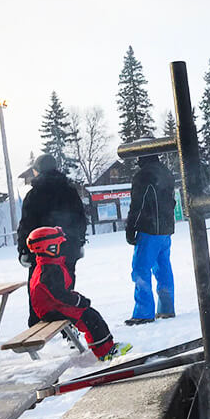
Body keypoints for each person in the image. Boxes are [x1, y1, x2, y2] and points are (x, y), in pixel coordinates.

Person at [26, 227, 131, 361]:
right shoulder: (49, 270)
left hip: (53, 306)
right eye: (59, 244)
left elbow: (59, 292)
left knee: (91, 314)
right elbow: (59, 294)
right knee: (89, 318)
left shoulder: (50, 264)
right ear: (49, 247)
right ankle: (105, 353)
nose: (62, 247)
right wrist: (78, 301)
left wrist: (79, 299)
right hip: (51, 310)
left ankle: (106, 347)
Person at [17, 153, 88, 326]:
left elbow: (26, 226)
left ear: (38, 170)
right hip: (67, 248)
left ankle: (36, 325)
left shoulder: (34, 195)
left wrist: (23, 251)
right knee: (65, 288)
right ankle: (68, 325)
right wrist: (78, 241)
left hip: (42, 252)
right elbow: (80, 219)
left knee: (38, 288)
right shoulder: (70, 191)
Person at [124, 154, 176, 325]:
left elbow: (137, 205)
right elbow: (172, 202)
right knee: (163, 268)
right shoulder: (166, 173)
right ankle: (166, 308)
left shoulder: (143, 175)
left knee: (140, 270)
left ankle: (143, 312)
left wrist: (131, 228)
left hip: (149, 229)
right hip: (165, 230)